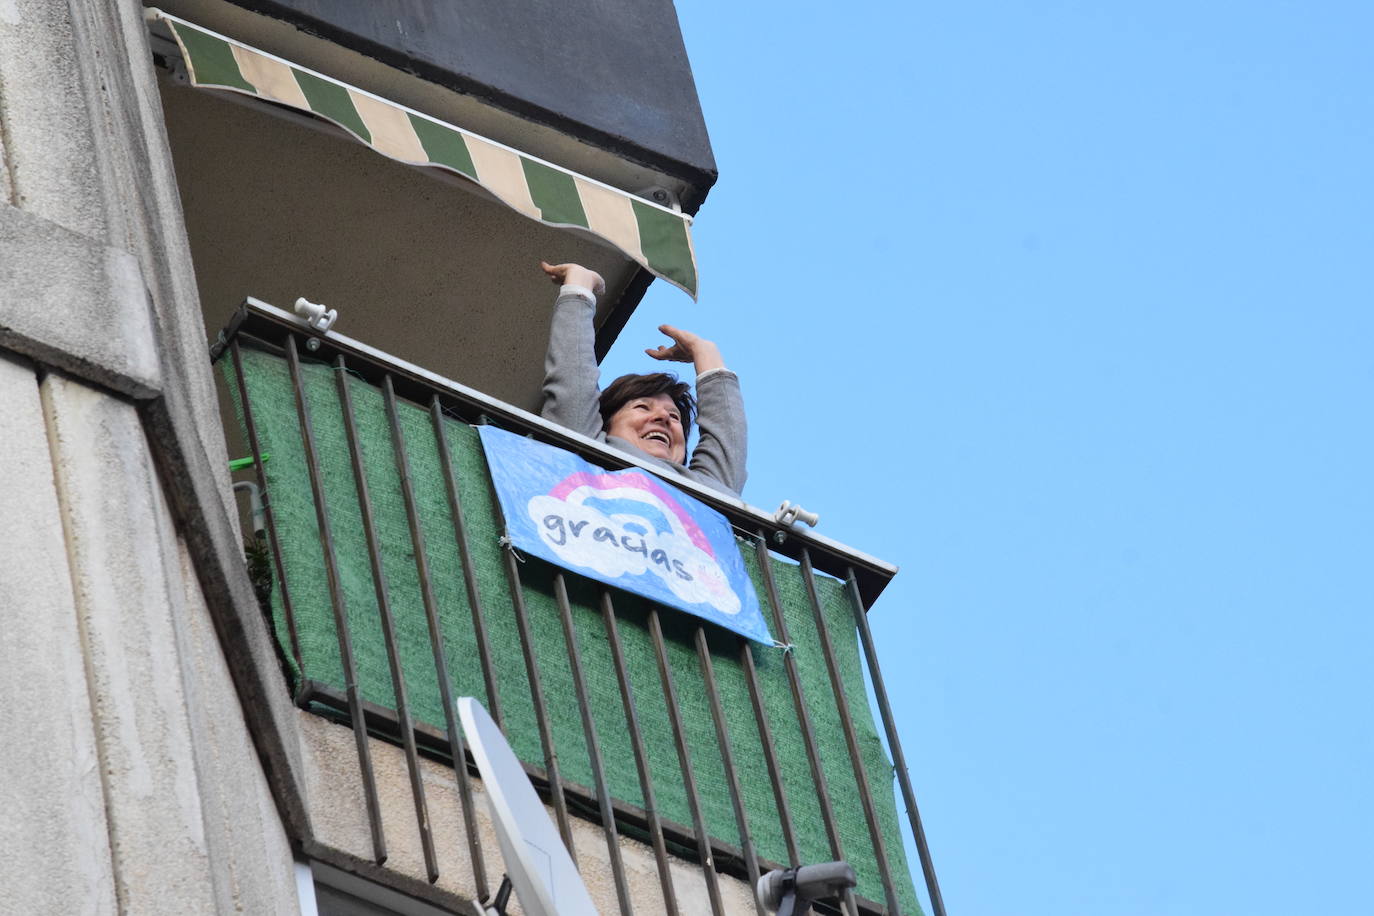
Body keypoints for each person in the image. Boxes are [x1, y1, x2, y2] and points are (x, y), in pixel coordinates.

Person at [538, 261, 747, 496]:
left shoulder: (702, 493)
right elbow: (572, 389)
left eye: (674, 416)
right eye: (642, 407)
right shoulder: (588, 451)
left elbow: (728, 450)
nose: (662, 418)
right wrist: (579, 289)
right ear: (603, 426)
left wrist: (705, 351)